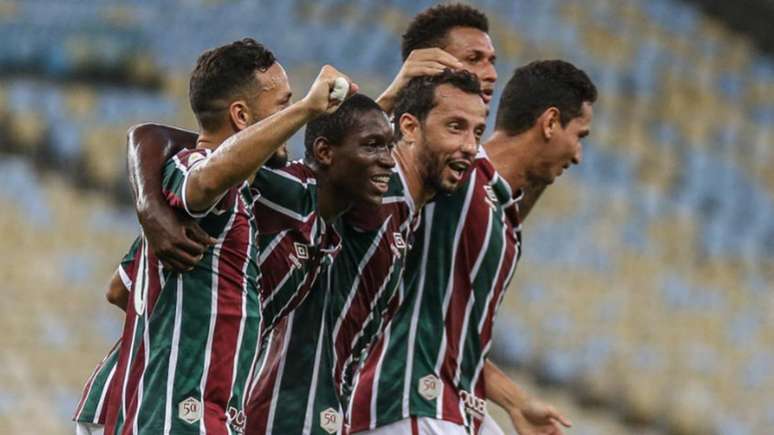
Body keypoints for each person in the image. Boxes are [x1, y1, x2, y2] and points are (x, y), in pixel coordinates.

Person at [101, 38, 357, 434]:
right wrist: (308, 108)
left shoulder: (243, 196)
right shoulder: (196, 168)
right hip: (177, 417)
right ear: (241, 115)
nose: (288, 119)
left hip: (209, 414)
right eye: (282, 105)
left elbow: (121, 290)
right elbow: (204, 179)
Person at [351, 59, 596, 435]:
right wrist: (398, 91)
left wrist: (515, 401)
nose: (578, 154)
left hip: (453, 402)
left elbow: (455, 337)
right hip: (407, 401)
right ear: (549, 122)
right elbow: (375, 158)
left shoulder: (499, 209)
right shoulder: (457, 178)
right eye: (579, 135)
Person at [246, 70, 487, 435]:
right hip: (280, 415)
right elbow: (207, 159)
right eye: (456, 126)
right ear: (409, 126)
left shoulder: (403, 216)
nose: (471, 146)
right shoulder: (365, 199)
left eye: (478, 132)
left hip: (326, 414)